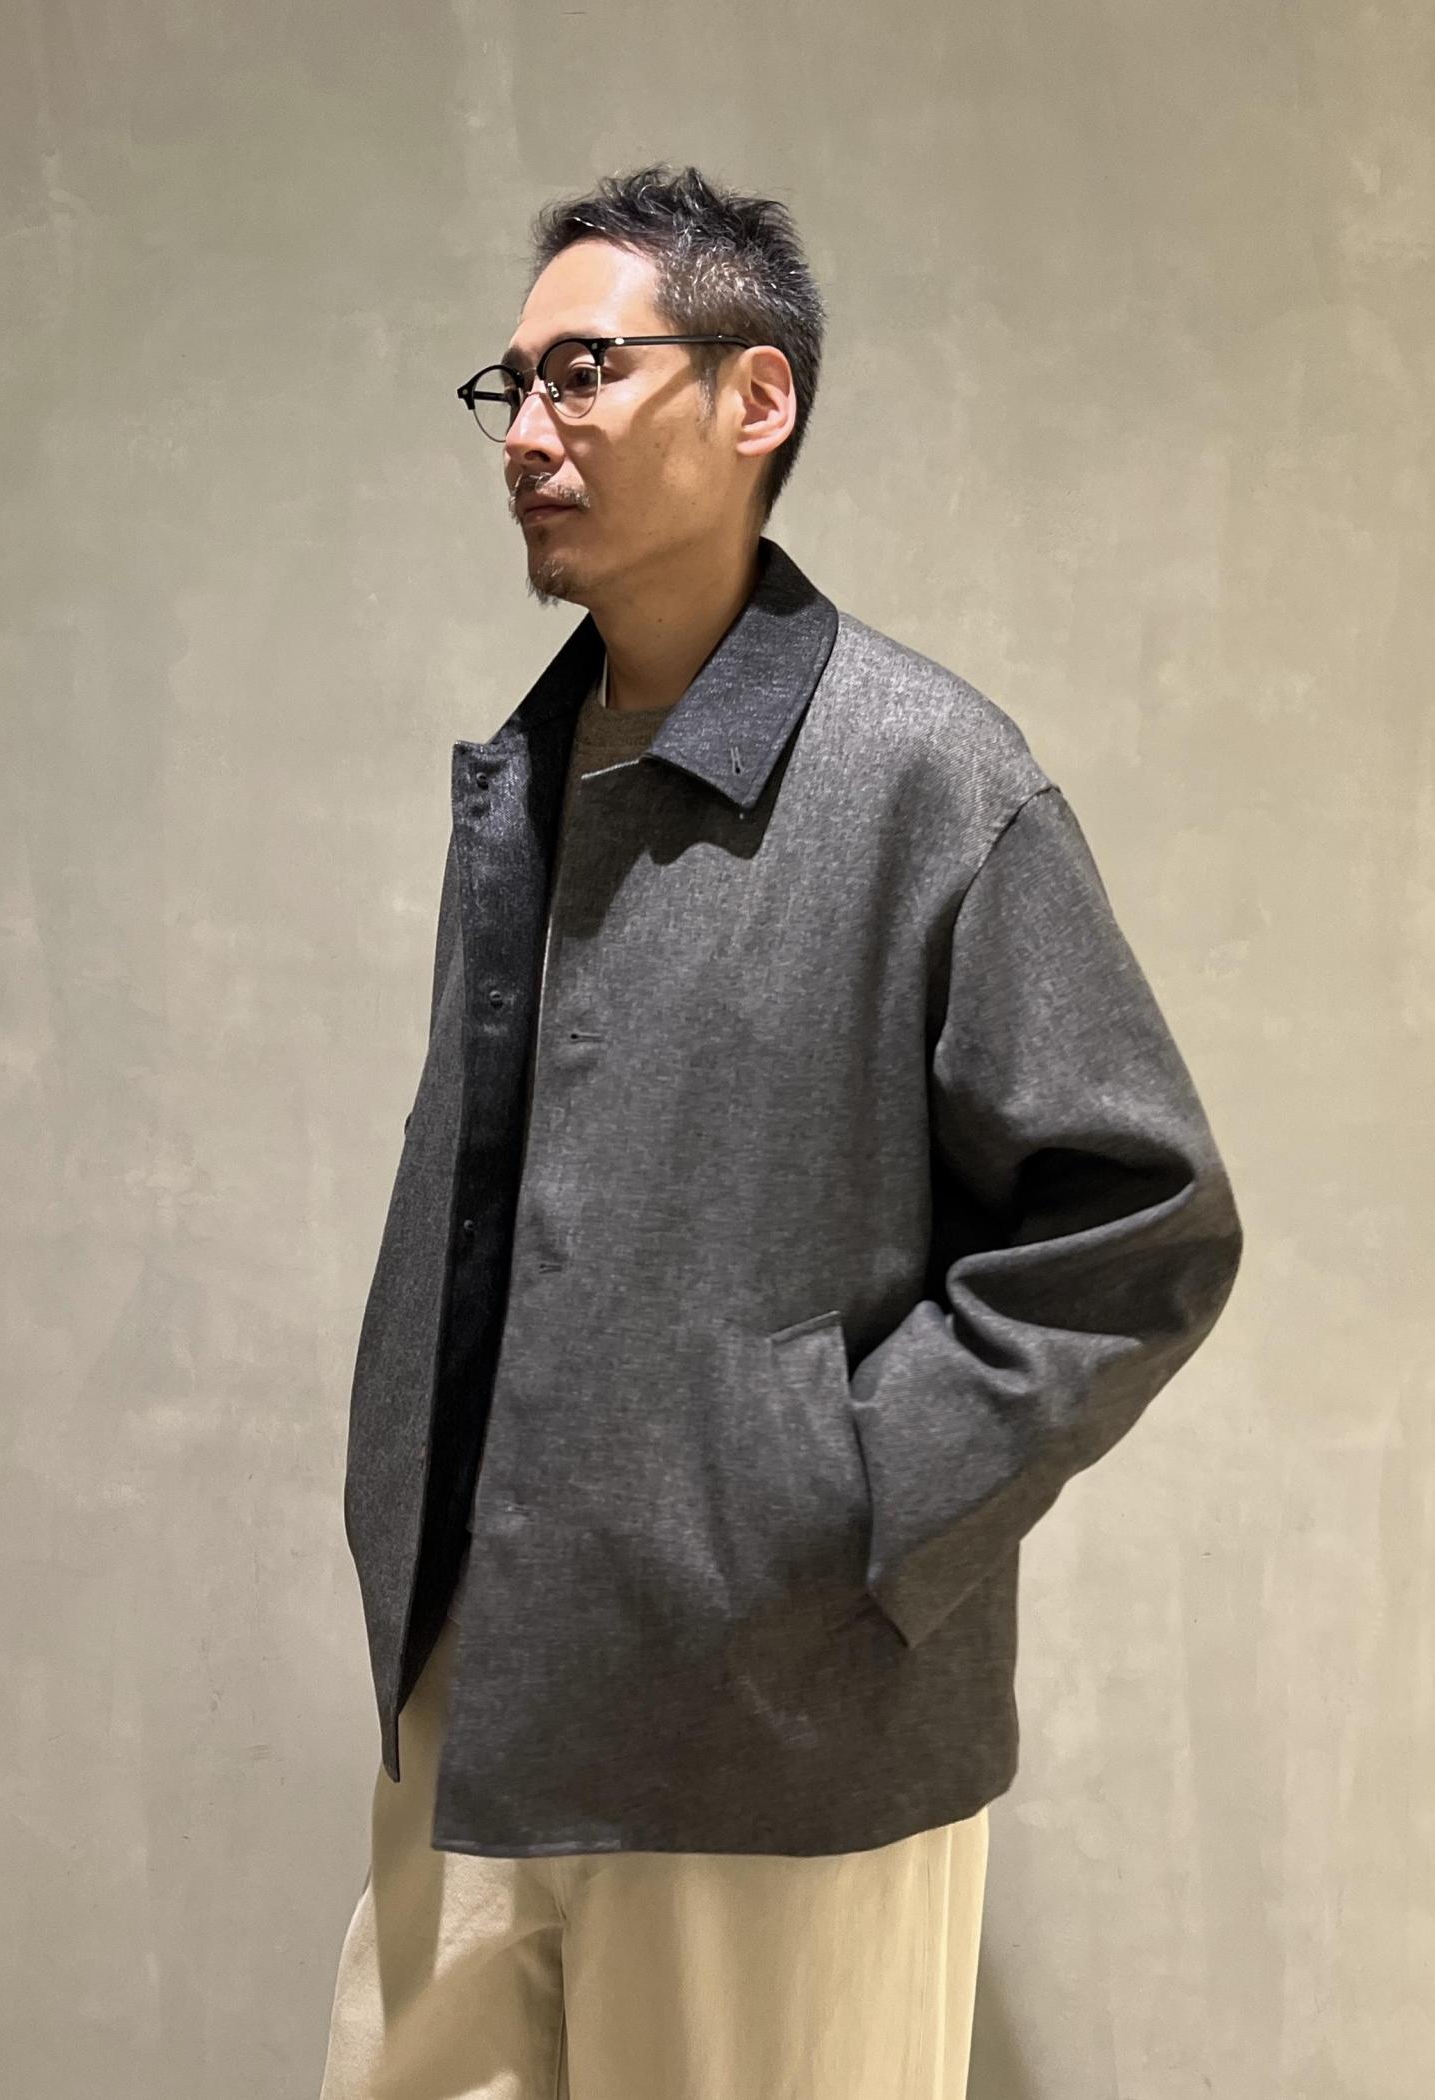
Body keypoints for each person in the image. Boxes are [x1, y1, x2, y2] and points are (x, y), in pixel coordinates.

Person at [318, 162, 1245, 2100]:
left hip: (777, 1744)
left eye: (585, 371)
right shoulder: (526, 778)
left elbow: (1136, 1225)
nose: (530, 431)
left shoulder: (930, 779)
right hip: (482, 1705)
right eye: (511, 387)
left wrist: (820, 1513)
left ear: (757, 399)